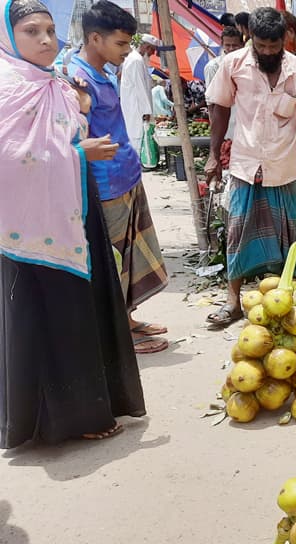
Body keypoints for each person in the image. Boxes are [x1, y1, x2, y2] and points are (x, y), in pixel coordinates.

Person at [1, 0, 146, 448]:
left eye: (49, 29)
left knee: (84, 309)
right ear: (8, 36)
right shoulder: (8, 87)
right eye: (30, 31)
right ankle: (58, 421)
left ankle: (92, 405)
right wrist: (79, 153)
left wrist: (77, 141)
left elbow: (65, 131)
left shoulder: (52, 82)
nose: (45, 40)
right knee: (47, 315)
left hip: (74, 210)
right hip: (28, 227)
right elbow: (10, 159)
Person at [204, 7, 296, 327]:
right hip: (247, 164)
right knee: (237, 233)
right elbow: (219, 109)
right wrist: (213, 154)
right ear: (252, 39)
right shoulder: (233, 65)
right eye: (261, 46)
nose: (267, 52)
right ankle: (233, 302)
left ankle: (288, 303)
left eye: (273, 47)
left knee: (290, 237)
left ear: (283, 41)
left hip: (285, 165)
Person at [68, 0, 169, 354]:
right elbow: (73, 136)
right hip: (105, 184)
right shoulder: (76, 80)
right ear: (95, 38)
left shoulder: (105, 72)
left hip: (125, 175)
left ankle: (126, 320)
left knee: (128, 258)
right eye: (121, 44)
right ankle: (116, 338)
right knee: (111, 263)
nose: (127, 51)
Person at [204, 25, 244, 175]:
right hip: (226, 127)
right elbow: (212, 103)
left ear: (241, 45)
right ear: (222, 44)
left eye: (235, 45)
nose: (231, 48)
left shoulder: (247, 66)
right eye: (228, 45)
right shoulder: (213, 67)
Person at [120, 33, 161, 153]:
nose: (153, 54)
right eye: (152, 50)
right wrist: (146, 111)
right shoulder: (136, 60)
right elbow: (140, 88)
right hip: (136, 108)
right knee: (137, 137)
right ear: (147, 47)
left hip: (135, 106)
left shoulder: (137, 59)